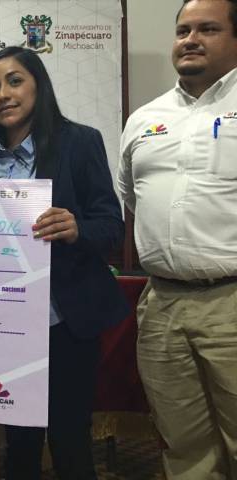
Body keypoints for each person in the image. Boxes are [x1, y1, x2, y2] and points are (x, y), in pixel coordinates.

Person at [0, 46, 127, 480]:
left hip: (66, 321)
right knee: (19, 441)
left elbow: (111, 226)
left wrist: (77, 228)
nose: (3, 94)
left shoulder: (79, 142)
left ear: (39, 86)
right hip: (6, 325)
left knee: (69, 439)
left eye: (15, 81)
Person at [118, 0, 237, 478]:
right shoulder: (144, 118)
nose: (191, 39)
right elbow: (131, 198)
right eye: (183, 30)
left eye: (208, 29)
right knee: (183, 448)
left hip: (230, 302)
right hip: (162, 305)